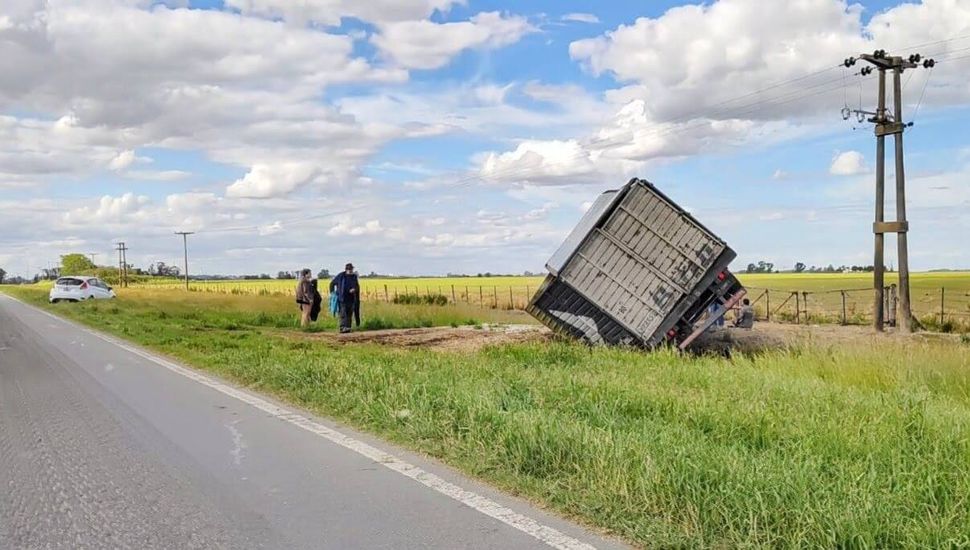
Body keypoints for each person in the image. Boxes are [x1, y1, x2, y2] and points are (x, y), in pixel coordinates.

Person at [330, 263, 360, 333]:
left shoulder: (354, 277)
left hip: (351, 298)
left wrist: (354, 289)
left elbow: (357, 286)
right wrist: (332, 293)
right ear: (346, 269)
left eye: (351, 269)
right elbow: (332, 283)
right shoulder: (341, 276)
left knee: (349, 313)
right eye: (349, 269)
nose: (350, 270)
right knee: (343, 313)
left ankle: (348, 327)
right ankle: (342, 327)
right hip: (342, 298)